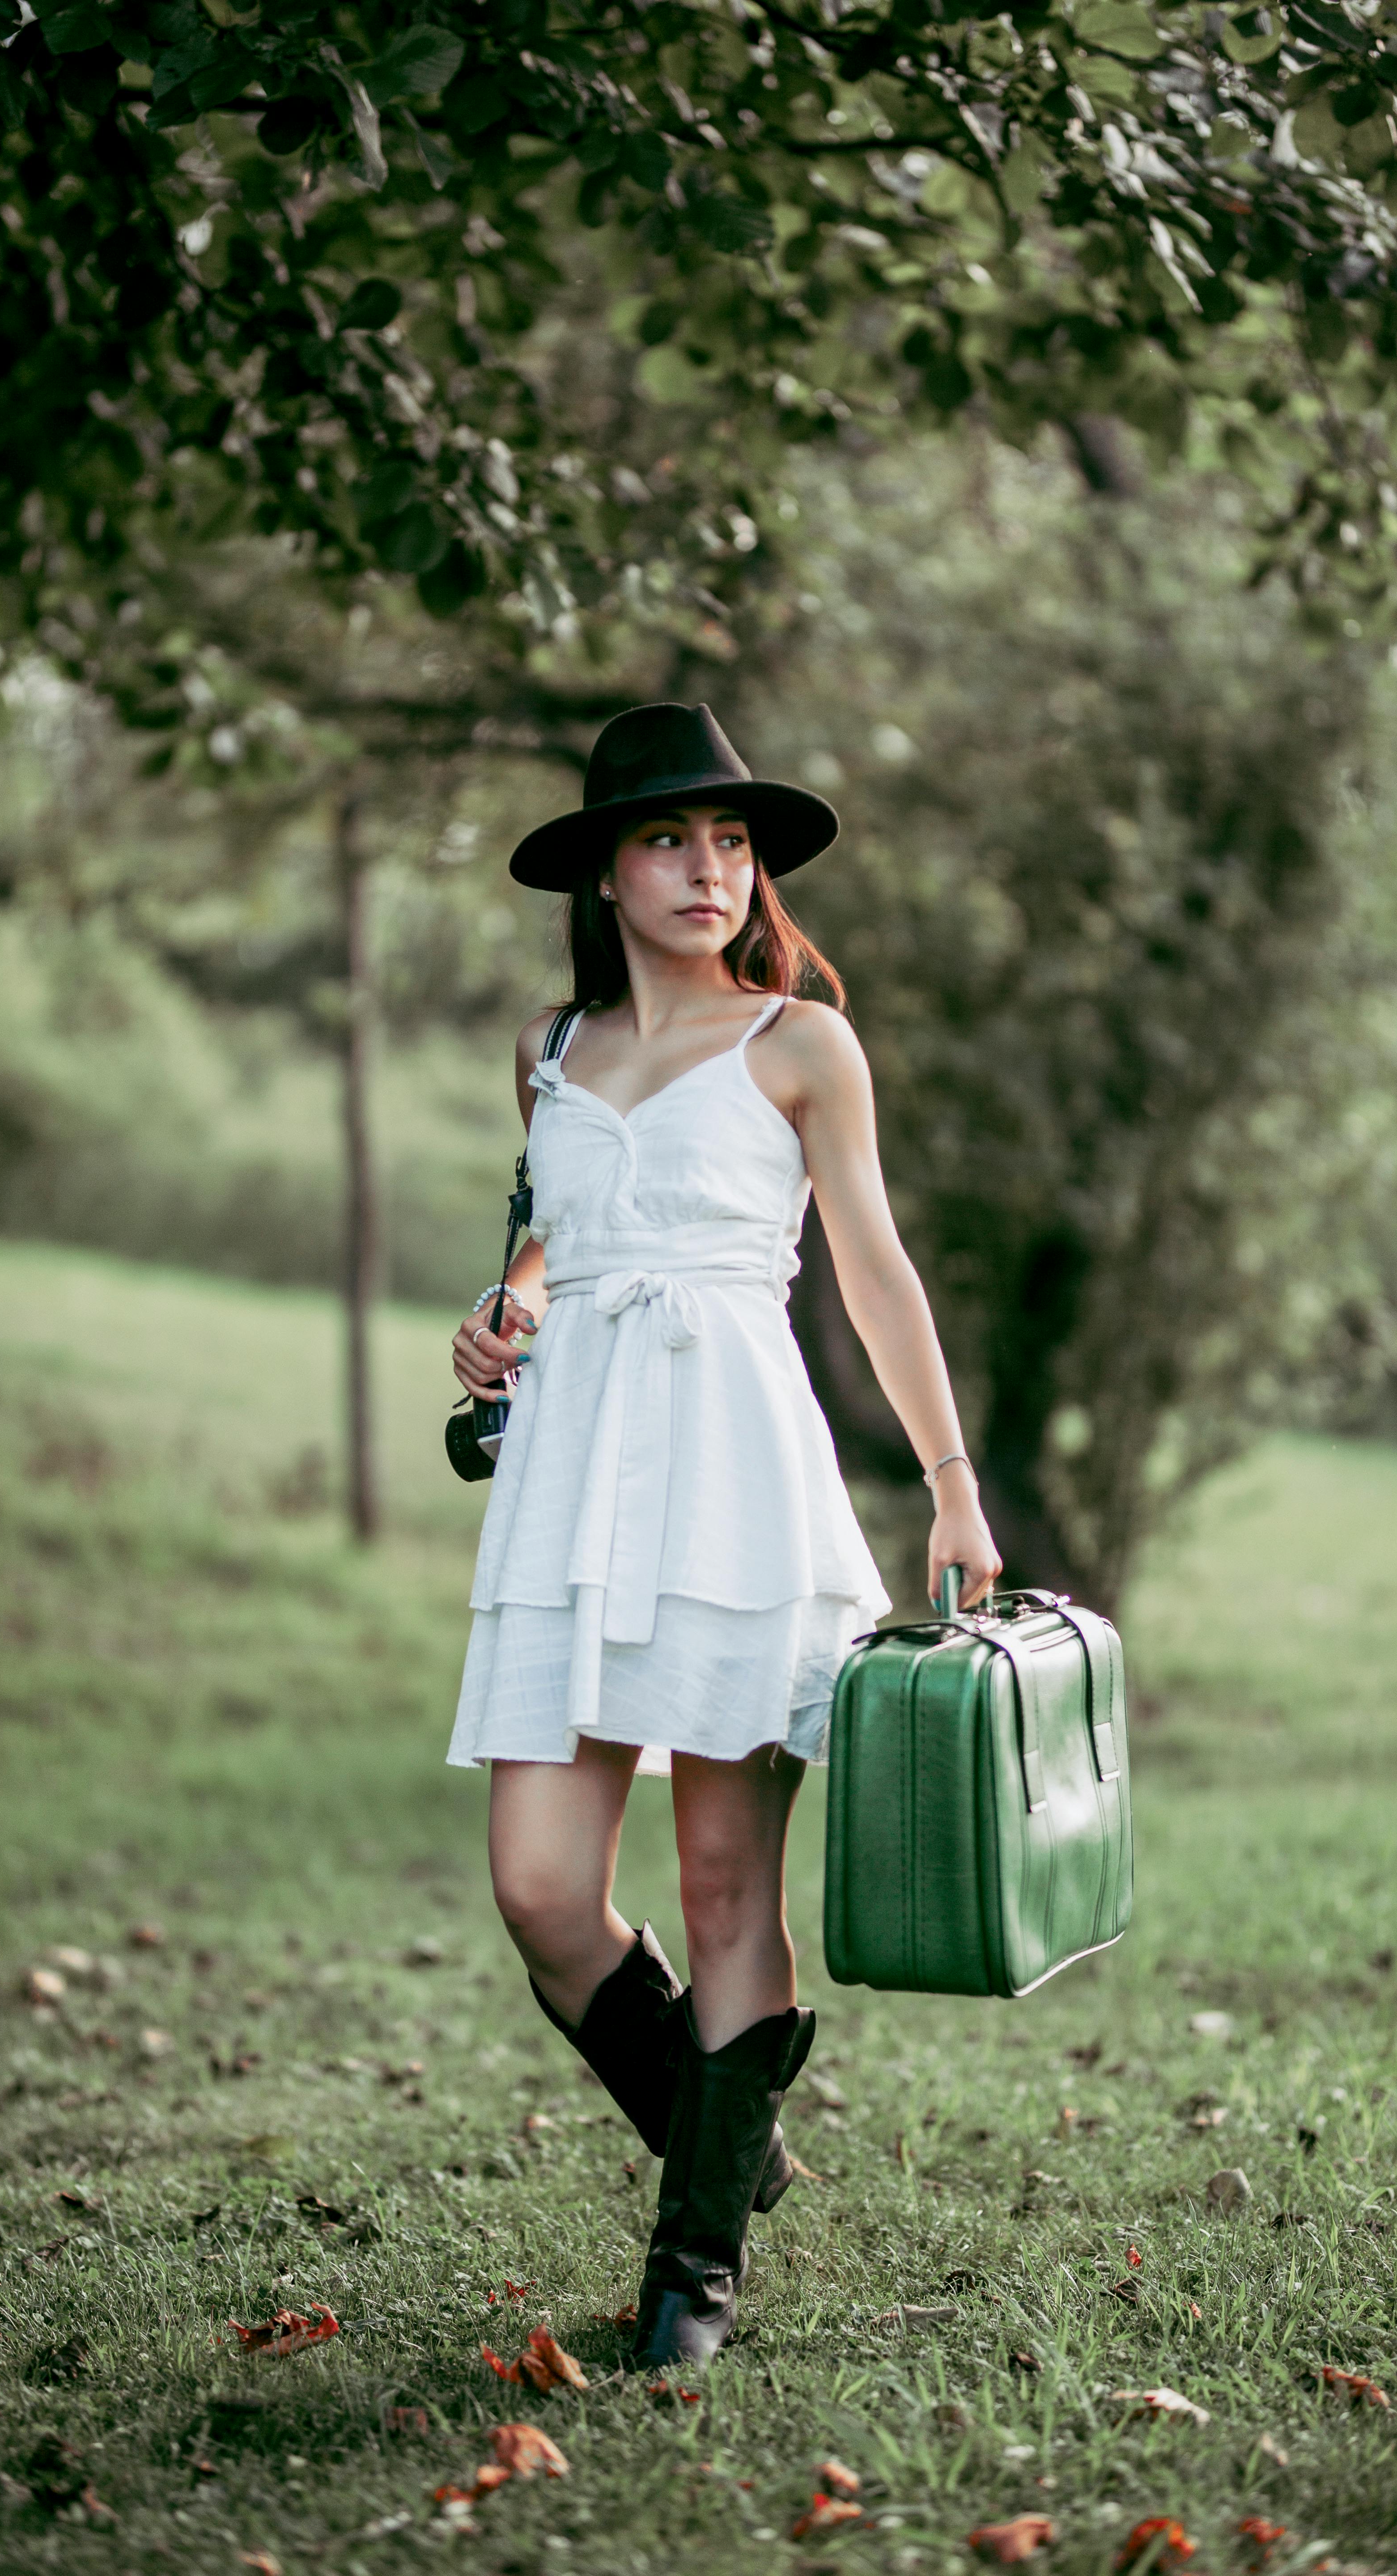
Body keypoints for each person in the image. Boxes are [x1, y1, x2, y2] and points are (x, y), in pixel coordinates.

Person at [448, 703, 1001, 2369]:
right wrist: (506, 1303)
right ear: (607, 872)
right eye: (673, 841)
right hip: (572, 1485)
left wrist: (954, 1478)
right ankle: (731, 2131)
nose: (710, 872)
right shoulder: (554, 1049)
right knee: (544, 1889)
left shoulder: (801, 1044)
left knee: (718, 1878)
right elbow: (570, 1225)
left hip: (736, 1468)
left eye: (733, 845)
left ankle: (690, 2276)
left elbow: (873, 1269)